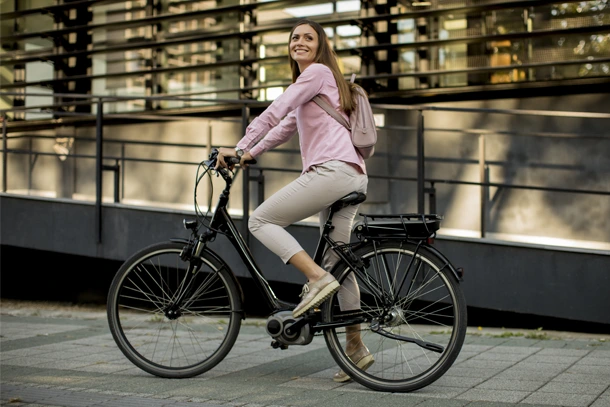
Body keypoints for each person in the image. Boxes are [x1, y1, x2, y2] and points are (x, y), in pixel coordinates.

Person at [216, 19, 373, 382]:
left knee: (261, 220)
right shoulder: (315, 87)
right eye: (294, 38)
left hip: (332, 172)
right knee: (340, 264)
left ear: (320, 47)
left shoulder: (316, 74)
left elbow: (275, 109)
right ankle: (355, 349)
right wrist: (251, 152)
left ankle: (315, 280)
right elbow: (284, 125)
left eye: (308, 38)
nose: (299, 42)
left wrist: (238, 147)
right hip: (351, 174)